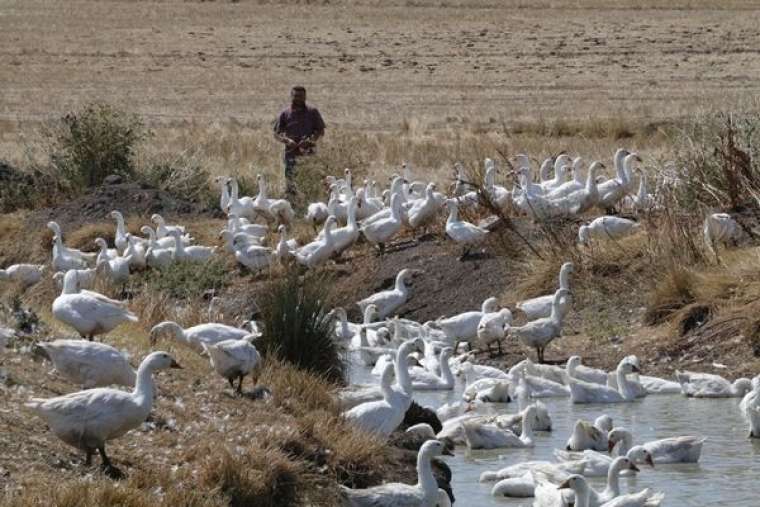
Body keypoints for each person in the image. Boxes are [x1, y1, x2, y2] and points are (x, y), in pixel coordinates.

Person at [273, 86, 326, 198]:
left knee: (310, 179)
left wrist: (309, 141)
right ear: (291, 96)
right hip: (291, 153)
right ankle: (292, 206)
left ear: (305, 97)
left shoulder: (312, 112)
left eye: (301, 96)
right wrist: (287, 141)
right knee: (291, 181)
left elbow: (320, 130)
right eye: (296, 96)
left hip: (308, 153)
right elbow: (276, 133)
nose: (298, 99)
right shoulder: (285, 113)